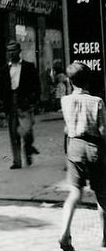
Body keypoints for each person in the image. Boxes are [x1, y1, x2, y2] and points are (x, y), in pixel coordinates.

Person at [58, 62, 106, 251]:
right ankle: (104, 237)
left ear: (70, 81)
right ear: (88, 80)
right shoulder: (97, 102)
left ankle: (65, 233)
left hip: (74, 147)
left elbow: (67, 128)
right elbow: (103, 131)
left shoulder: (65, 100)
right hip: (95, 148)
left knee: (75, 192)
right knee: (102, 194)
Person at [0, 40, 41, 169]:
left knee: (26, 131)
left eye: (14, 50)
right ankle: (17, 161)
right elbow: (0, 87)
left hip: (25, 102)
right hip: (11, 103)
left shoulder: (29, 66)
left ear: (19, 51)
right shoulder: (4, 69)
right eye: (9, 51)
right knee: (13, 132)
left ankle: (28, 149)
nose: (11, 53)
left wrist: (34, 100)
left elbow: (36, 85)